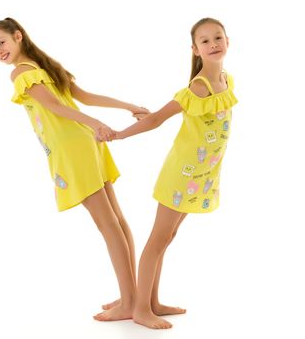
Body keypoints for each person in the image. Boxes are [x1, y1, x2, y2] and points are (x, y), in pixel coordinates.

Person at [0, 17, 149, 321]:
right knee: (116, 219)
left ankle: (129, 302)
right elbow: (85, 97)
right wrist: (128, 106)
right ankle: (133, 294)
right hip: (86, 142)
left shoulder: (21, 72)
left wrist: (99, 122)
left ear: (18, 36)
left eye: (1, 43)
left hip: (71, 148)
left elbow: (58, 108)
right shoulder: (45, 65)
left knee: (107, 224)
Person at [98, 17, 238, 329]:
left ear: (229, 41)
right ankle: (140, 310)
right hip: (181, 175)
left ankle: (153, 302)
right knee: (159, 239)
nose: (213, 43)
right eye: (205, 40)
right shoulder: (197, 88)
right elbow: (157, 119)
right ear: (195, 49)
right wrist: (120, 134)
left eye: (218, 37)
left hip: (203, 174)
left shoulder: (226, 80)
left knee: (168, 236)